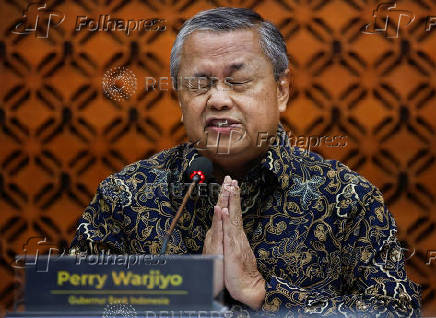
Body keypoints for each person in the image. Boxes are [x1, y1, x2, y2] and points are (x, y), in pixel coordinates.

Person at [70, 7, 421, 317]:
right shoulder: (126, 196)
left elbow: (397, 311)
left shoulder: (346, 198)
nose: (218, 99)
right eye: (199, 84)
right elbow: (70, 307)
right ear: (179, 97)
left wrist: (261, 294)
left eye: (238, 81)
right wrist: (188, 292)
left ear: (281, 90)